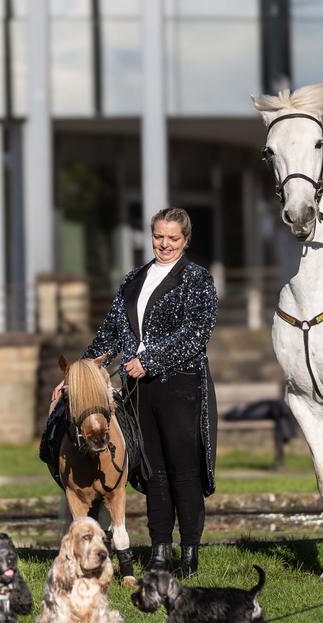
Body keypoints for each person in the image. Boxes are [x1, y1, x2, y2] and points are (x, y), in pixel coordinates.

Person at [52, 208, 218, 579]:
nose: (165, 244)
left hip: (181, 386)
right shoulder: (132, 279)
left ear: (186, 240)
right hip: (137, 391)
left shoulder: (197, 279)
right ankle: (159, 550)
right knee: (151, 470)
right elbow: (109, 335)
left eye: (173, 238)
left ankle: (189, 551)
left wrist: (151, 359)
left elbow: (197, 331)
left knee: (183, 469)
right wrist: (75, 376)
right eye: (159, 236)